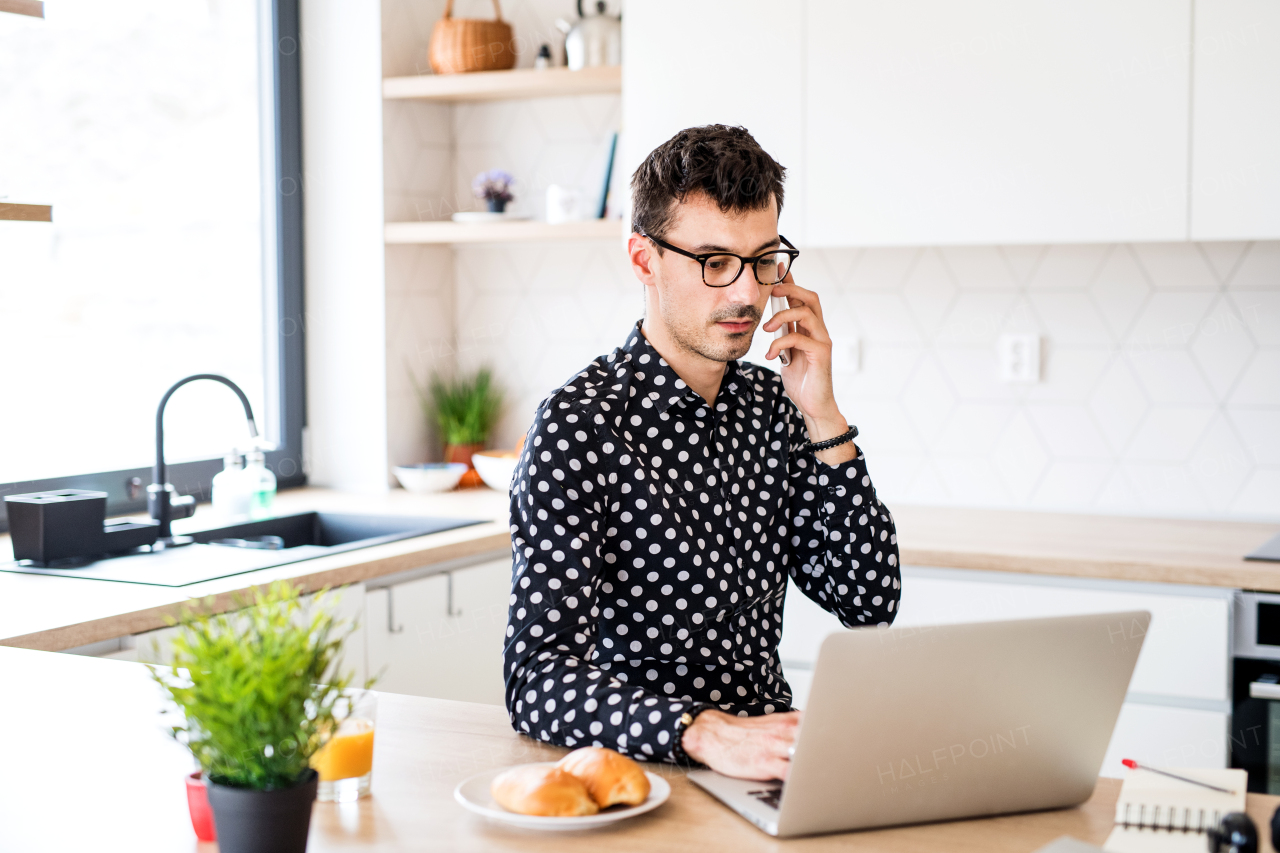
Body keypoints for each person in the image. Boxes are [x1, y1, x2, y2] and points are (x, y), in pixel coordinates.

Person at [502, 124, 900, 782]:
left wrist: (824, 414)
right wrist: (704, 732)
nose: (747, 293)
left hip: (768, 772)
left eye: (764, 259)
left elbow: (868, 600)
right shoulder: (579, 426)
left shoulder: (777, 408)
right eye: (714, 262)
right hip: (636, 778)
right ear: (643, 260)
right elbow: (536, 681)